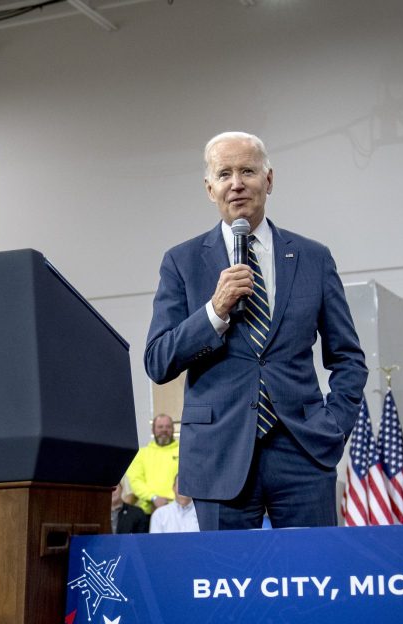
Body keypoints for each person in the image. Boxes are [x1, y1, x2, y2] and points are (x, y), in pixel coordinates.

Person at [145, 131, 367, 530]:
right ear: (209, 188)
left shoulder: (314, 258)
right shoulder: (181, 262)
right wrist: (214, 310)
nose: (236, 183)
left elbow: (348, 358)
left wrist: (333, 427)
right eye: (224, 173)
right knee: (228, 572)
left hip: (304, 451)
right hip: (218, 456)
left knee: (312, 568)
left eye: (247, 171)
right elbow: (158, 361)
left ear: (269, 179)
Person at [123, 414, 180, 516]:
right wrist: (153, 497)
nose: (164, 430)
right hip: (147, 511)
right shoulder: (141, 454)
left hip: (178, 509)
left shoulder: (183, 452)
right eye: (160, 427)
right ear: (153, 430)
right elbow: (135, 481)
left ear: (173, 429)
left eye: (168, 426)